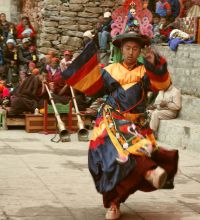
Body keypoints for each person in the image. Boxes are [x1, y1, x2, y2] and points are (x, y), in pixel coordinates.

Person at [62, 32, 179, 220]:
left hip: (135, 123)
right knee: (111, 161)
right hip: (110, 120)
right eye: (127, 48)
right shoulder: (110, 70)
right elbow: (92, 87)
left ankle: (142, 177)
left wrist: (155, 64)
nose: (131, 52)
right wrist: (75, 69)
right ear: (121, 50)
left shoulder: (144, 71)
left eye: (135, 48)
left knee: (133, 156)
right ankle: (114, 203)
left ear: (140, 51)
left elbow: (163, 84)